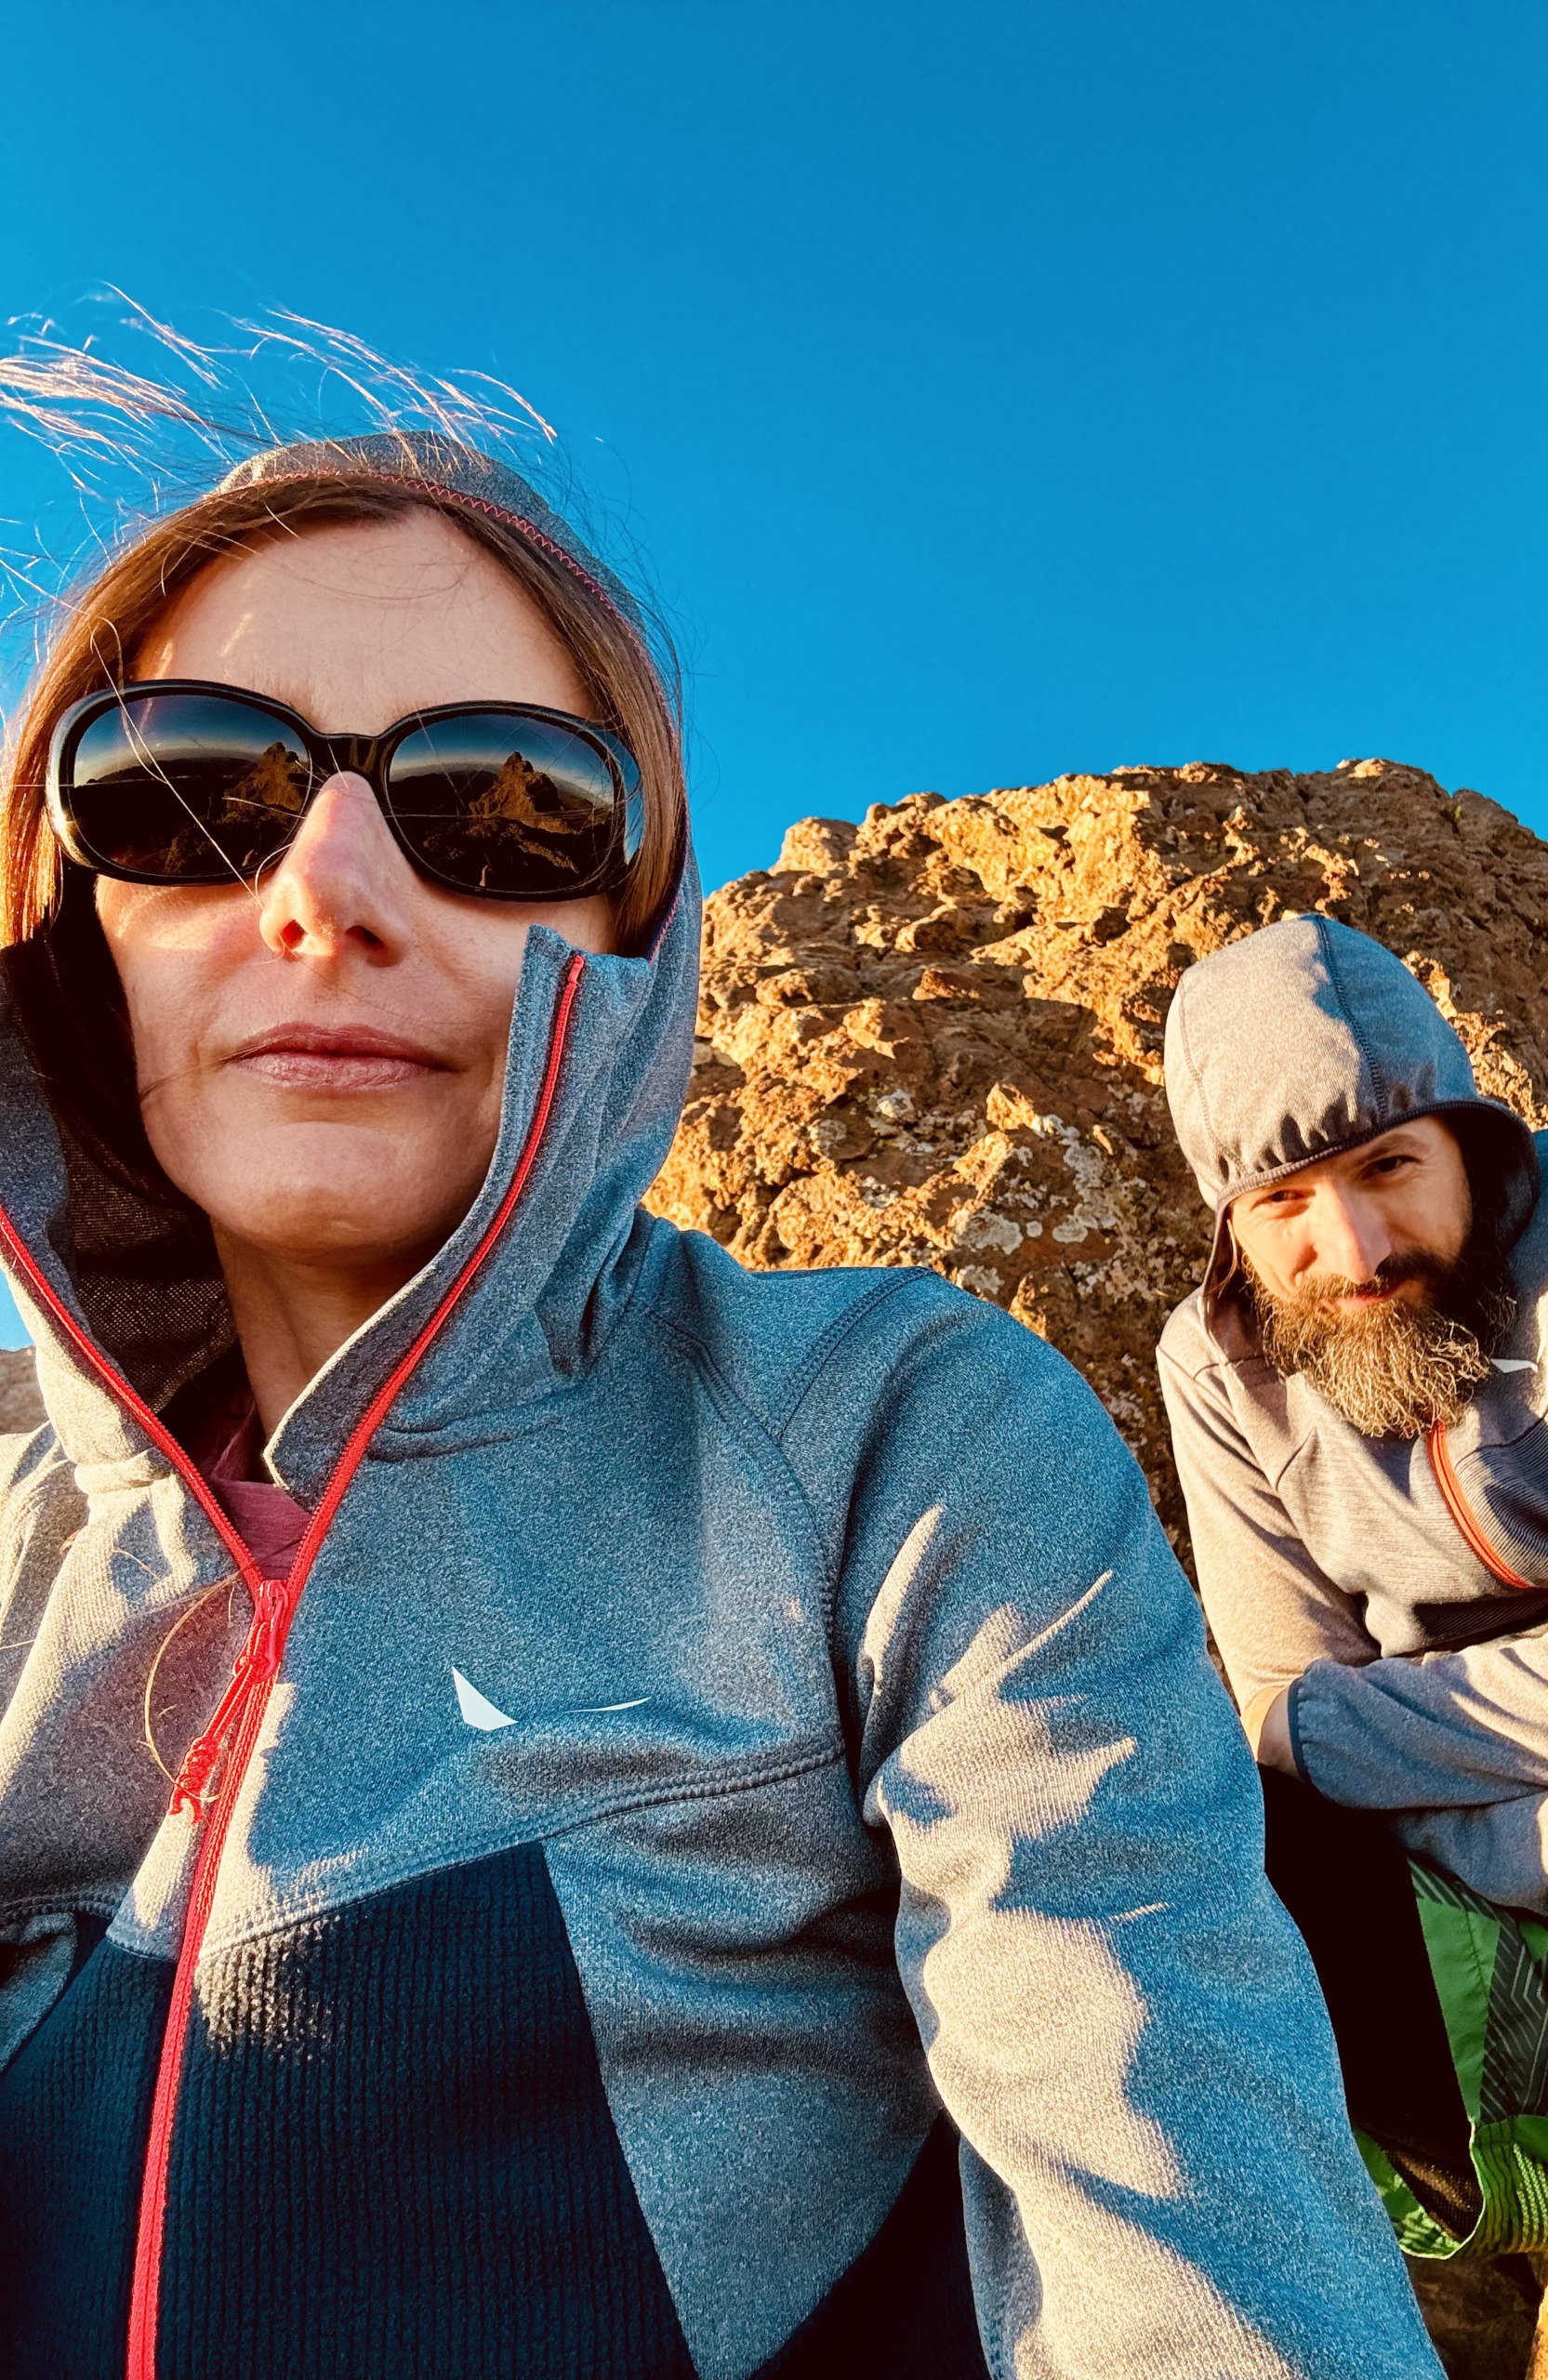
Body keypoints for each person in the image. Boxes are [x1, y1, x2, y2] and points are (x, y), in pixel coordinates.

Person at [0, 426, 1436, 2379]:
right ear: (64, 900)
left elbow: (1172, 2175)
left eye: (498, 806)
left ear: (639, 928)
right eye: (187, 789)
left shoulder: (893, 1445)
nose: (325, 888)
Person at [1158, 912, 1548, 2260]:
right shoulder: (1215, 1372)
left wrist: (1351, 1722)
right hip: (1545, 1898)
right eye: (1283, 1203)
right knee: (1190, 1842)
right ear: (1231, 1227)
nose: (1357, 1248)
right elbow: (1279, 1747)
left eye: (1389, 1166)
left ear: (1467, 1139)